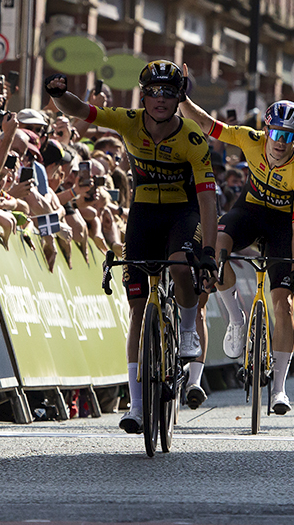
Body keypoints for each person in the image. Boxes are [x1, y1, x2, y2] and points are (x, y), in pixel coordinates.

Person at [44, 61, 217, 436]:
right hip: (143, 213)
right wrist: (59, 95)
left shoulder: (192, 137)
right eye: (153, 91)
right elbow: (82, 111)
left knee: (179, 266)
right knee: (138, 309)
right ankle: (136, 406)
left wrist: (210, 252)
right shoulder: (128, 121)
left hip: (182, 213)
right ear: (143, 94)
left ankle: (187, 332)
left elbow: (207, 201)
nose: (160, 99)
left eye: (169, 92)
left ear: (179, 98)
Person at [178, 95, 294, 415]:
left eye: (289, 136)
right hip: (250, 211)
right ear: (266, 131)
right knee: (217, 248)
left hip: (283, 225)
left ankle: (279, 389)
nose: (280, 143)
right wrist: (183, 99)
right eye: (276, 134)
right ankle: (236, 320)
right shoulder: (250, 139)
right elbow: (208, 125)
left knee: (284, 303)